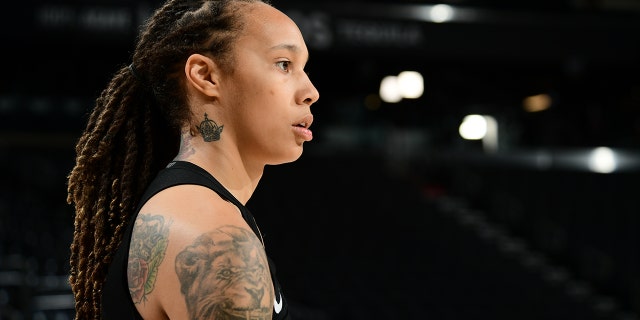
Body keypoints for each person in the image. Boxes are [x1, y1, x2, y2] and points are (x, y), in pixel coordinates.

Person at [66, 0, 319, 318]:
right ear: (206, 76)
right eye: (284, 64)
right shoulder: (215, 237)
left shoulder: (190, 208)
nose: (311, 91)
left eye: (303, 67)